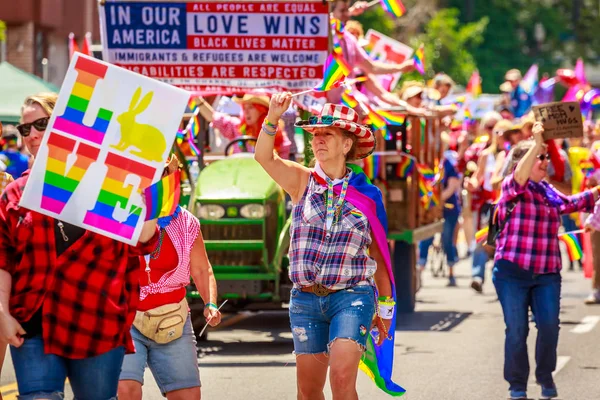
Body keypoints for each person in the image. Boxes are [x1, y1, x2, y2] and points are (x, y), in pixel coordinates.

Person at [0, 93, 160, 400]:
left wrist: (148, 202)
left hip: (95, 322)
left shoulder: (109, 186)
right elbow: (3, 259)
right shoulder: (15, 193)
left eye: (41, 124)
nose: (32, 135)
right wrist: (3, 313)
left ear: (67, 126)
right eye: (24, 129)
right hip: (32, 325)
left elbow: (144, 242)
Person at [255, 93, 398, 399]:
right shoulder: (301, 181)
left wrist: (385, 307)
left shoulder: (368, 195)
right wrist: (272, 118)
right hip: (305, 301)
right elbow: (264, 158)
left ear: (347, 145)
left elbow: (380, 255)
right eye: (315, 135)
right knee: (308, 392)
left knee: (342, 378)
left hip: (352, 297)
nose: (318, 140)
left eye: (327, 134)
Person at [492, 122, 600, 400]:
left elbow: (571, 204)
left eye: (545, 157)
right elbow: (519, 175)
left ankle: (544, 376)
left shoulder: (546, 190)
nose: (546, 161)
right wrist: (537, 141)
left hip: (547, 272)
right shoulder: (512, 187)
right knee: (516, 331)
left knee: (550, 326)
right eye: (541, 157)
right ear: (523, 162)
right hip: (512, 272)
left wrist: (597, 190)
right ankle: (517, 385)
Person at [118, 155, 221, 400]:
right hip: (124, 318)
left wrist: (211, 303)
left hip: (172, 318)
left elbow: (202, 269)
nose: (153, 181)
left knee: (188, 396)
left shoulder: (186, 221)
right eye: (146, 175)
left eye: (161, 174)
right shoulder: (118, 216)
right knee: (126, 391)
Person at [417, 134, 462, 288]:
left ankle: (451, 272)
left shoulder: (448, 165)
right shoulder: (427, 164)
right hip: (430, 209)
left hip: (448, 209)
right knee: (426, 239)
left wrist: (436, 200)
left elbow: (452, 186)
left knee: (448, 238)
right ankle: (419, 273)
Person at [196, 94, 291, 159]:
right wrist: (197, 99)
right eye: (244, 108)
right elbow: (212, 117)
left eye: (250, 107)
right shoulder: (237, 127)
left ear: (262, 111)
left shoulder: (276, 134)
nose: (246, 112)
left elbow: (282, 165)